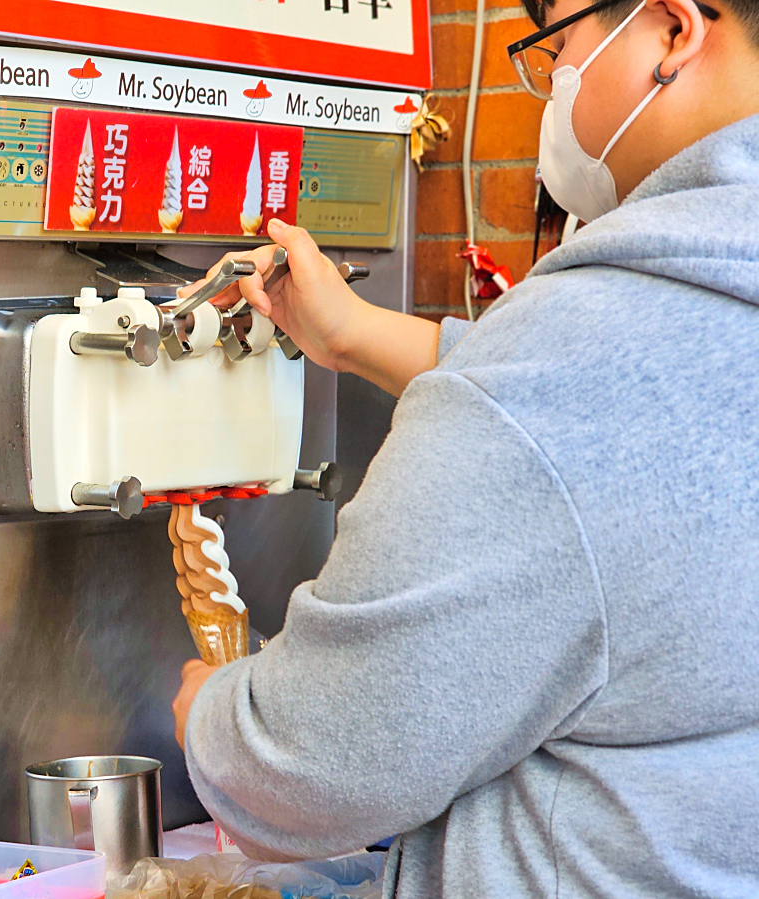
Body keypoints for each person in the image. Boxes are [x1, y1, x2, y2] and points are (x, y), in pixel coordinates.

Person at [171, 0, 759, 896]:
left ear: (675, 31)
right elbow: (642, 422)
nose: (553, 83)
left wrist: (210, 724)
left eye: (559, 45)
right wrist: (354, 337)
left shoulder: (570, 362)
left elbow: (314, 765)